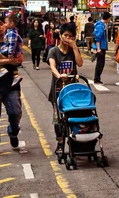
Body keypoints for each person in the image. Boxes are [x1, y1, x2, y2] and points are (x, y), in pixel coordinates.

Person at [0, 16, 24, 156]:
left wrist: (11, 60)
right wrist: (9, 60)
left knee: (16, 113)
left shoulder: (12, 38)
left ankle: (13, 132)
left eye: (1, 24)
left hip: (12, 85)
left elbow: (20, 59)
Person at [48, 25, 84, 155]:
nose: (68, 38)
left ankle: (75, 140)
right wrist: (59, 76)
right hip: (57, 90)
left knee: (74, 116)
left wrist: (74, 47)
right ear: (60, 36)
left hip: (72, 90)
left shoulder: (73, 50)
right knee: (58, 119)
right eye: (65, 35)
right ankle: (60, 142)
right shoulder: (53, 51)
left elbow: (80, 63)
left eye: (70, 36)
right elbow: (52, 67)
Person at [0, 13, 24, 86]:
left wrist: (10, 53)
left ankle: (2, 69)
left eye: (6, 23)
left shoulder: (12, 33)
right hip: (12, 52)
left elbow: (12, 44)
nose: (4, 24)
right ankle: (15, 76)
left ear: (12, 23)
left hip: (8, 51)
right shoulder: (12, 32)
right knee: (11, 64)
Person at [93, 12, 111, 84]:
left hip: (101, 46)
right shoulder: (101, 25)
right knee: (100, 63)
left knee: (100, 63)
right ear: (107, 18)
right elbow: (98, 37)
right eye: (109, 18)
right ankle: (97, 79)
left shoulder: (100, 24)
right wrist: (98, 48)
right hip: (101, 47)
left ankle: (97, 78)